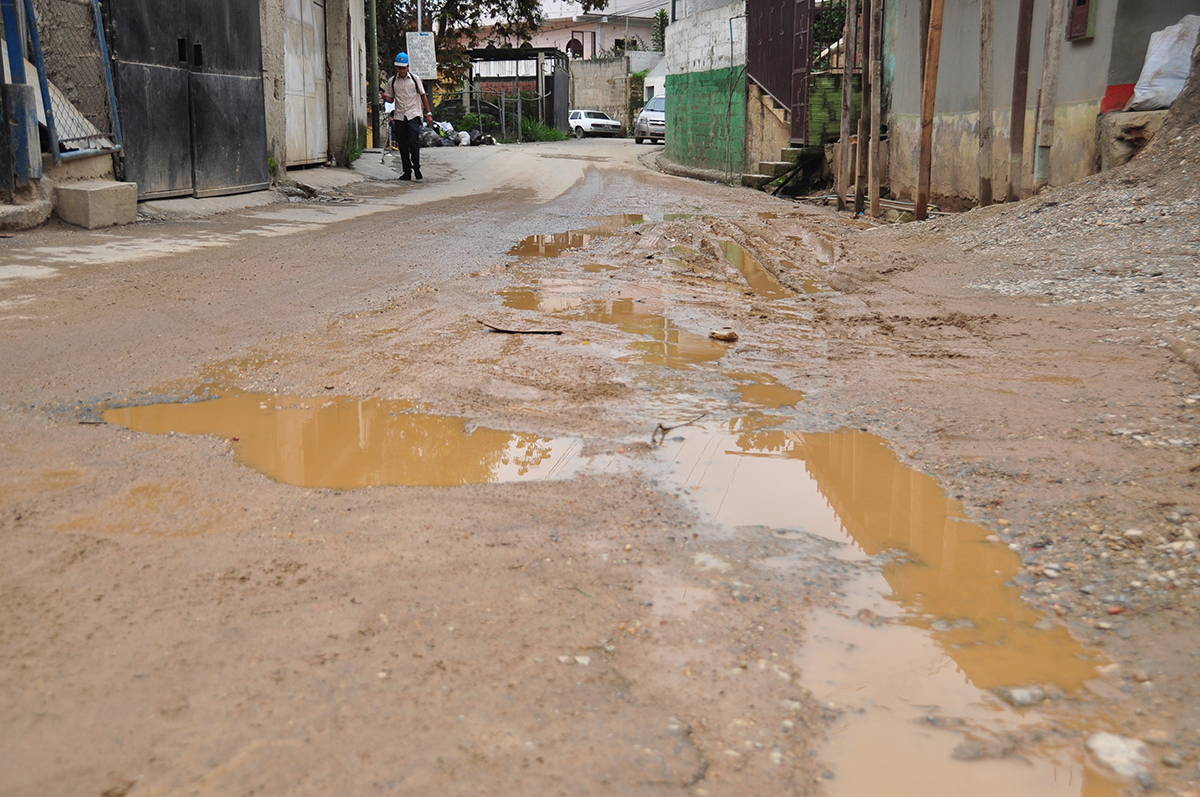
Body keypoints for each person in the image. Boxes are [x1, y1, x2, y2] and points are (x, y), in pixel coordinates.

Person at [381, 52, 433, 181]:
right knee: (402, 145)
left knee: (413, 142)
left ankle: (416, 167)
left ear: (408, 67)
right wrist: (385, 98)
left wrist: (429, 113)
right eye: (399, 68)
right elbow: (391, 99)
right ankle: (406, 171)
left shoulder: (415, 79)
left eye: (404, 68)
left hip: (413, 115)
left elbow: (423, 95)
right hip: (399, 116)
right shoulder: (392, 81)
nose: (402, 70)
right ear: (396, 68)